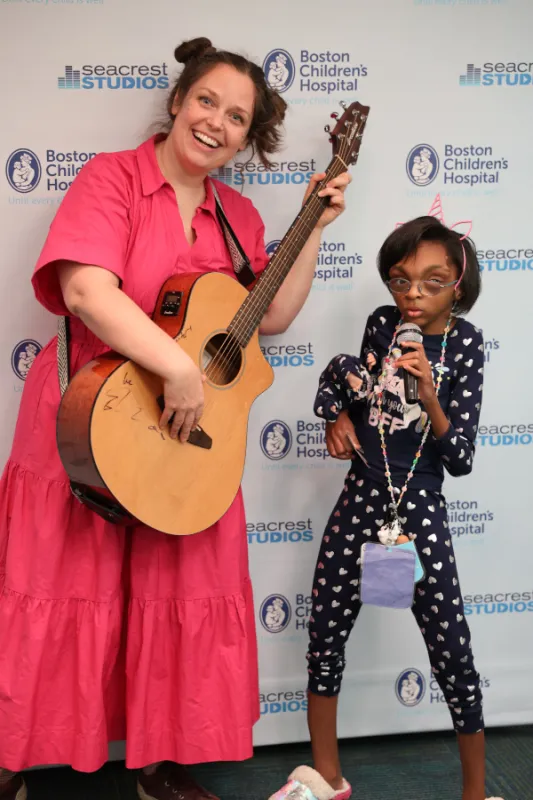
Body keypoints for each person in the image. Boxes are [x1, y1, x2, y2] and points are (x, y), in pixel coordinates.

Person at [0, 37, 351, 800]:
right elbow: (87, 290)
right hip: (89, 417)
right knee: (62, 585)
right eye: (206, 102)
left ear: (247, 138)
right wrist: (178, 368)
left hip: (187, 439)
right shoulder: (111, 180)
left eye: (236, 117)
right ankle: (16, 751)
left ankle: (159, 761)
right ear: (177, 101)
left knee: (177, 592)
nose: (215, 124)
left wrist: (313, 228)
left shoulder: (241, 217)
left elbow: (274, 317)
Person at [270, 212, 503, 800]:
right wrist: (337, 416)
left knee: (452, 649)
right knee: (324, 633)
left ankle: (475, 792)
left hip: (419, 507)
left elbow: (461, 457)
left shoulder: (468, 344)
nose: (413, 295)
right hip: (360, 496)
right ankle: (327, 779)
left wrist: (430, 392)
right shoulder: (381, 324)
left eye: (432, 281)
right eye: (400, 280)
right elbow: (357, 390)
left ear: (459, 283)